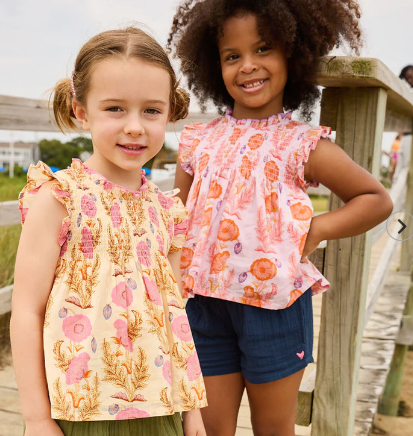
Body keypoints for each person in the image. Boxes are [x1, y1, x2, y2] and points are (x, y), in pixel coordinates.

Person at [167, 1, 394, 435]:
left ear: (293, 54)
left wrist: (320, 228)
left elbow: (375, 198)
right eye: (232, 56)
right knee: (209, 429)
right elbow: (176, 217)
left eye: (263, 49)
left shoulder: (304, 144)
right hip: (203, 306)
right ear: (215, 67)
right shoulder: (198, 140)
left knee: (273, 428)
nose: (248, 66)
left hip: (274, 306)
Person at [10, 27, 207, 436]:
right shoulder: (59, 198)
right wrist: (36, 418)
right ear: (82, 111)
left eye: (151, 111)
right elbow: (26, 311)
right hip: (82, 410)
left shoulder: (167, 210)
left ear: (169, 112)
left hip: (162, 406)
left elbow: (175, 314)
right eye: (115, 108)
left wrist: (193, 413)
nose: (135, 126)